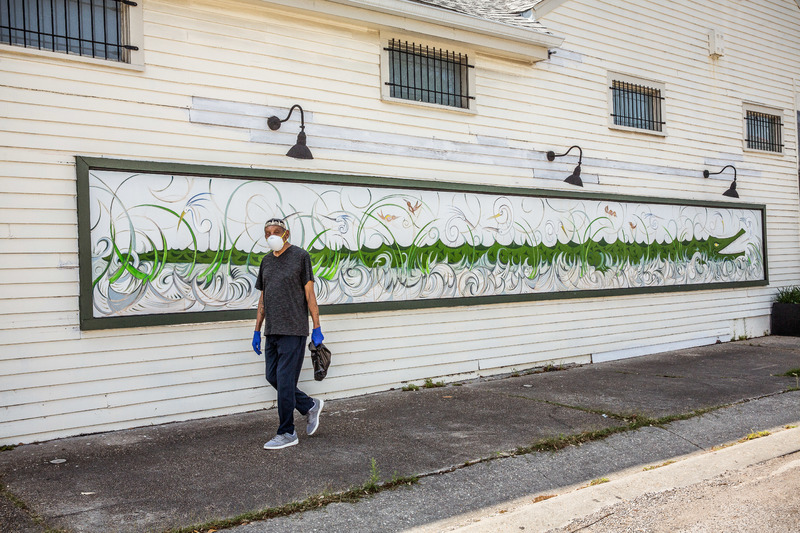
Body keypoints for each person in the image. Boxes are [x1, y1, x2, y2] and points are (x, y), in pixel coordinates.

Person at [252, 218, 325, 450]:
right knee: (272, 377)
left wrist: (316, 327)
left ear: (286, 234)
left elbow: (310, 294)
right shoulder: (265, 262)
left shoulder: (300, 257)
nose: (271, 235)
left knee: (285, 382)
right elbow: (263, 298)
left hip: (293, 329)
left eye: (276, 231)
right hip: (271, 329)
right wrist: (256, 329)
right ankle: (309, 405)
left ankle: (287, 432)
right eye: (267, 232)